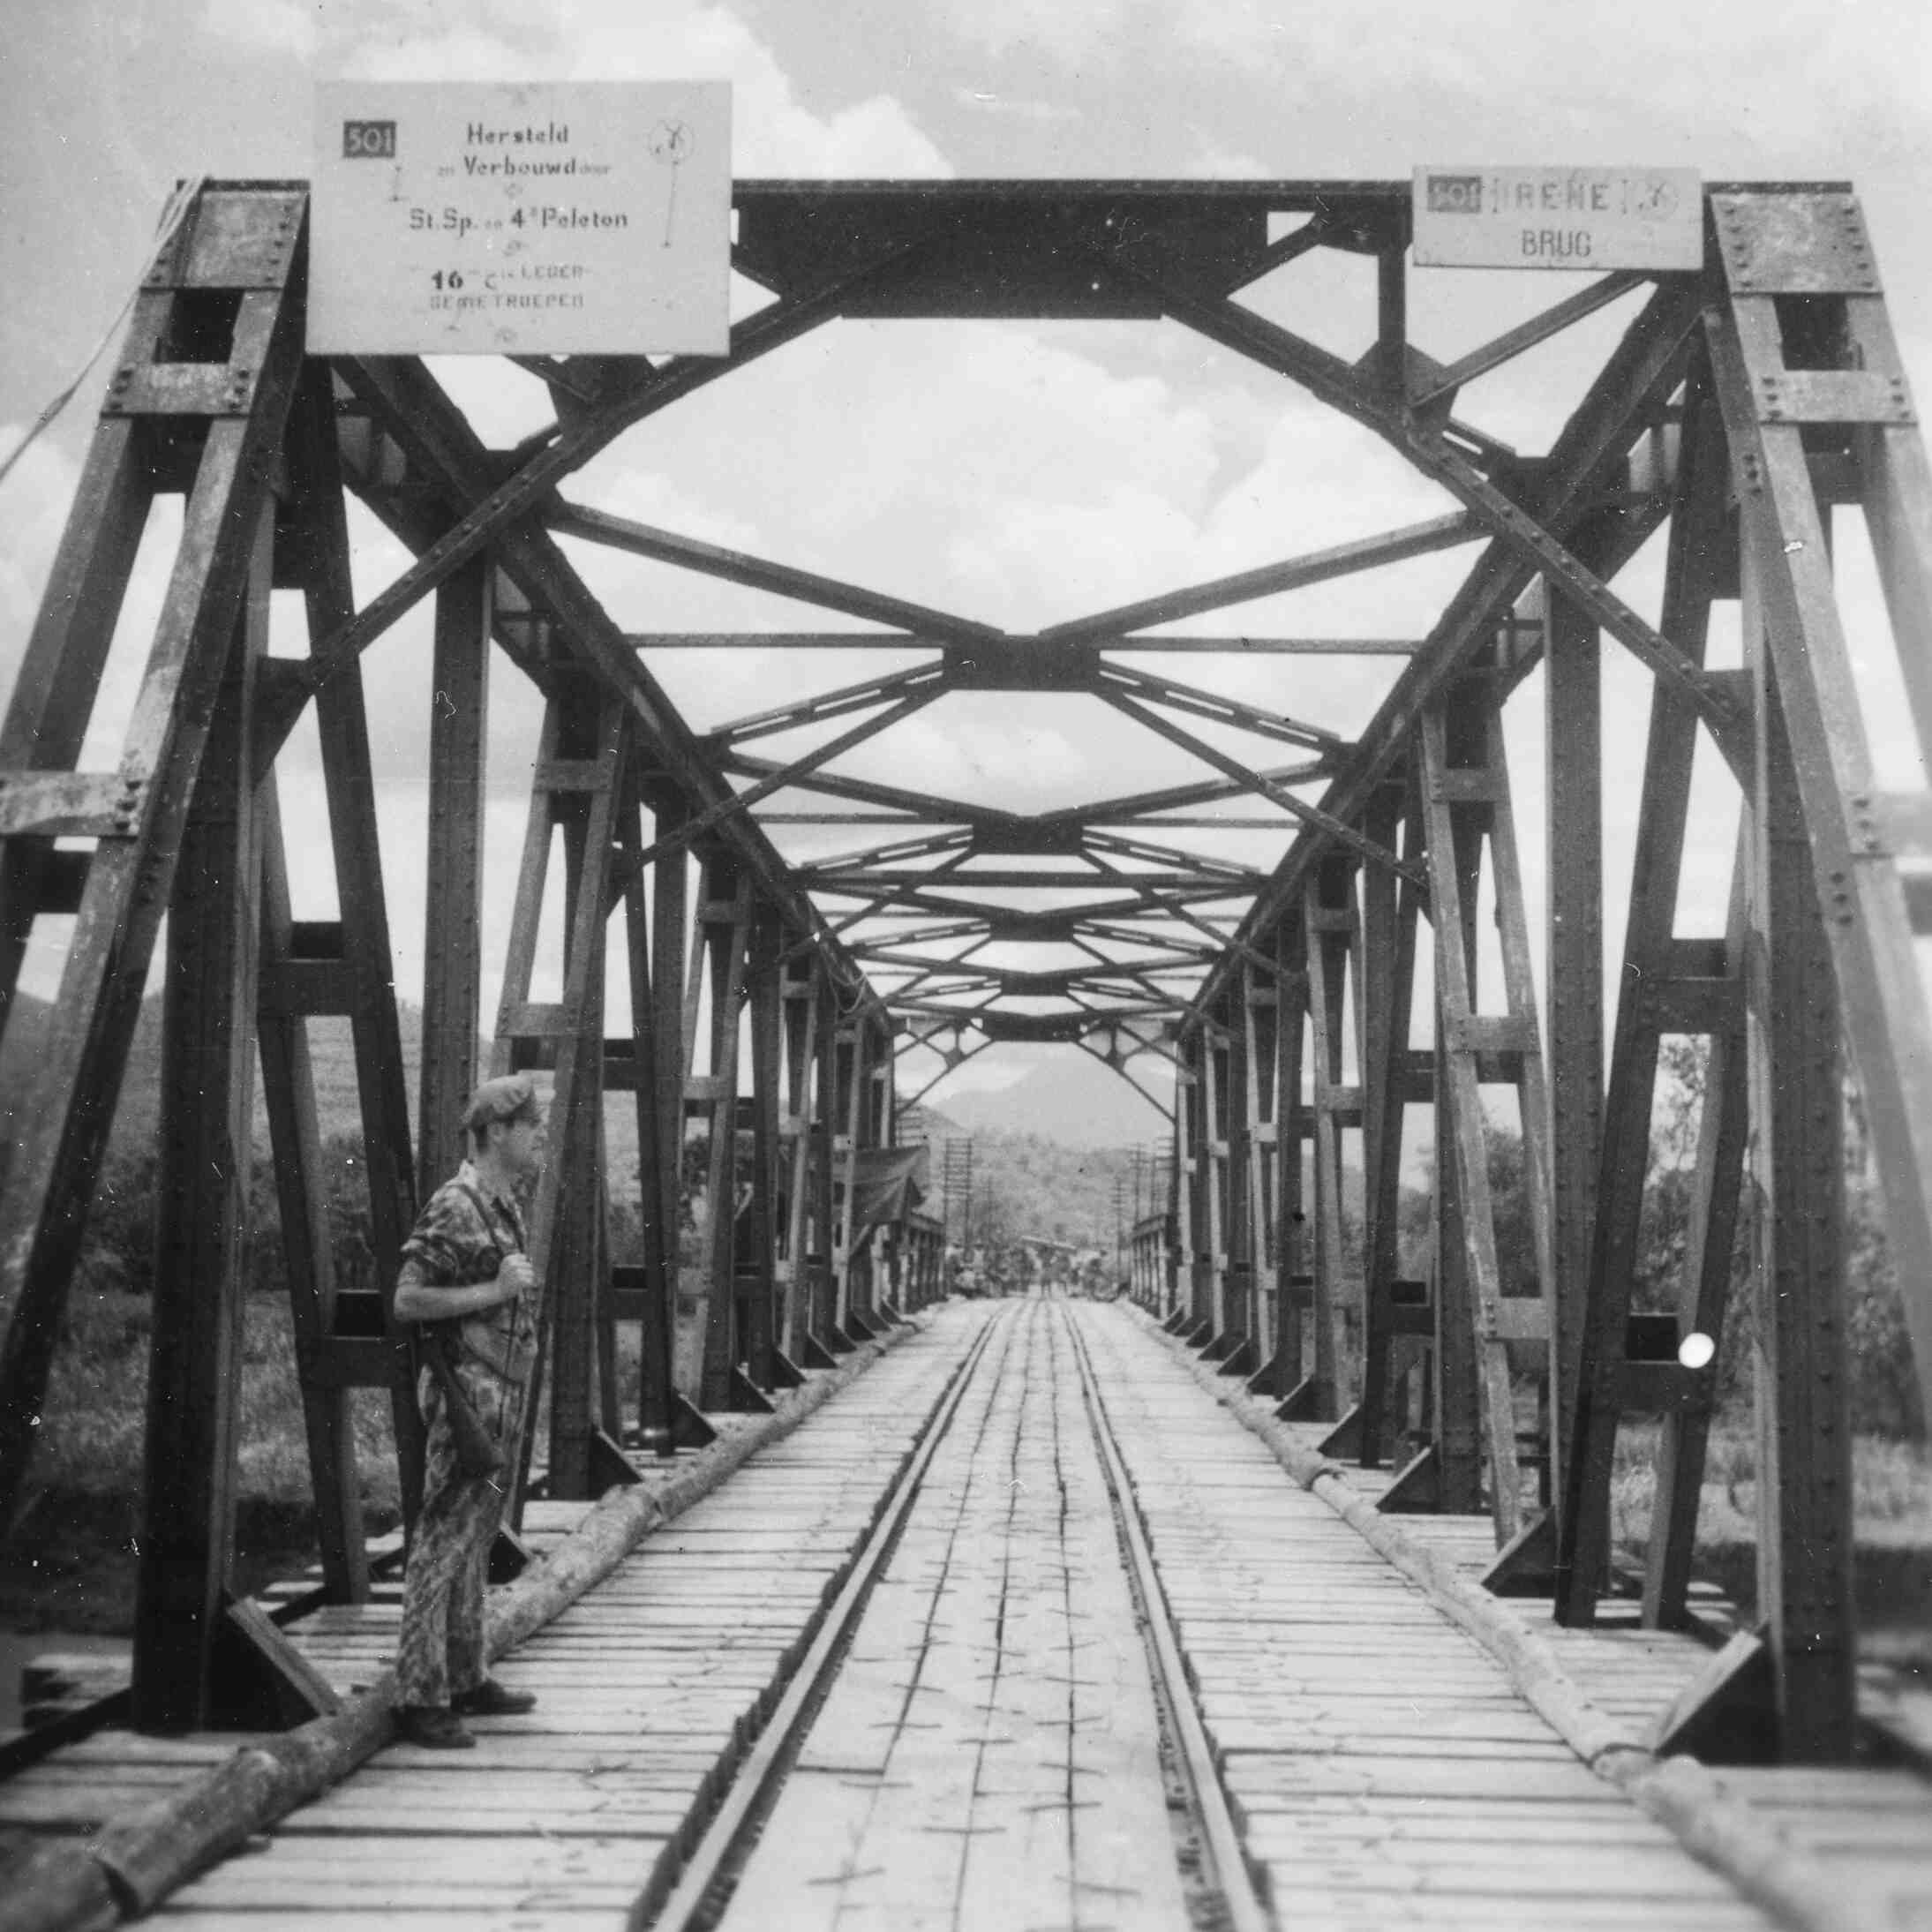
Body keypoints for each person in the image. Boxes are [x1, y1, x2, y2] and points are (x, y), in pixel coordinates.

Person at [390, 1073, 546, 1748]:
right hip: (467, 1394)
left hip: (500, 1391)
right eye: (529, 1126)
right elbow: (407, 1299)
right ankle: (419, 1694)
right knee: (441, 1538)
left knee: (476, 1535)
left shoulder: (502, 1201)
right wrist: (493, 1287)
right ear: (496, 1133)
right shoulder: (456, 1204)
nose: (539, 1136)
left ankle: (465, 1674)